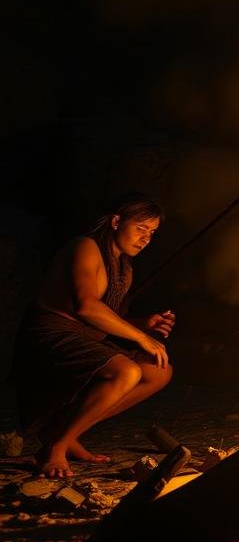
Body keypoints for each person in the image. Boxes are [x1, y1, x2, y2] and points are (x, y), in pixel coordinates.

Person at [14, 194, 174, 478]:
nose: (146, 238)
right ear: (116, 221)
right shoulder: (86, 247)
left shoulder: (125, 267)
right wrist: (139, 336)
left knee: (158, 371)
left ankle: (64, 431)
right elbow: (86, 306)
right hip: (49, 334)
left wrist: (143, 324)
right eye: (140, 228)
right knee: (125, 372)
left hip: (86, 336)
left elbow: (105, 320)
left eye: (152, 232)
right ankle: (55, 448)